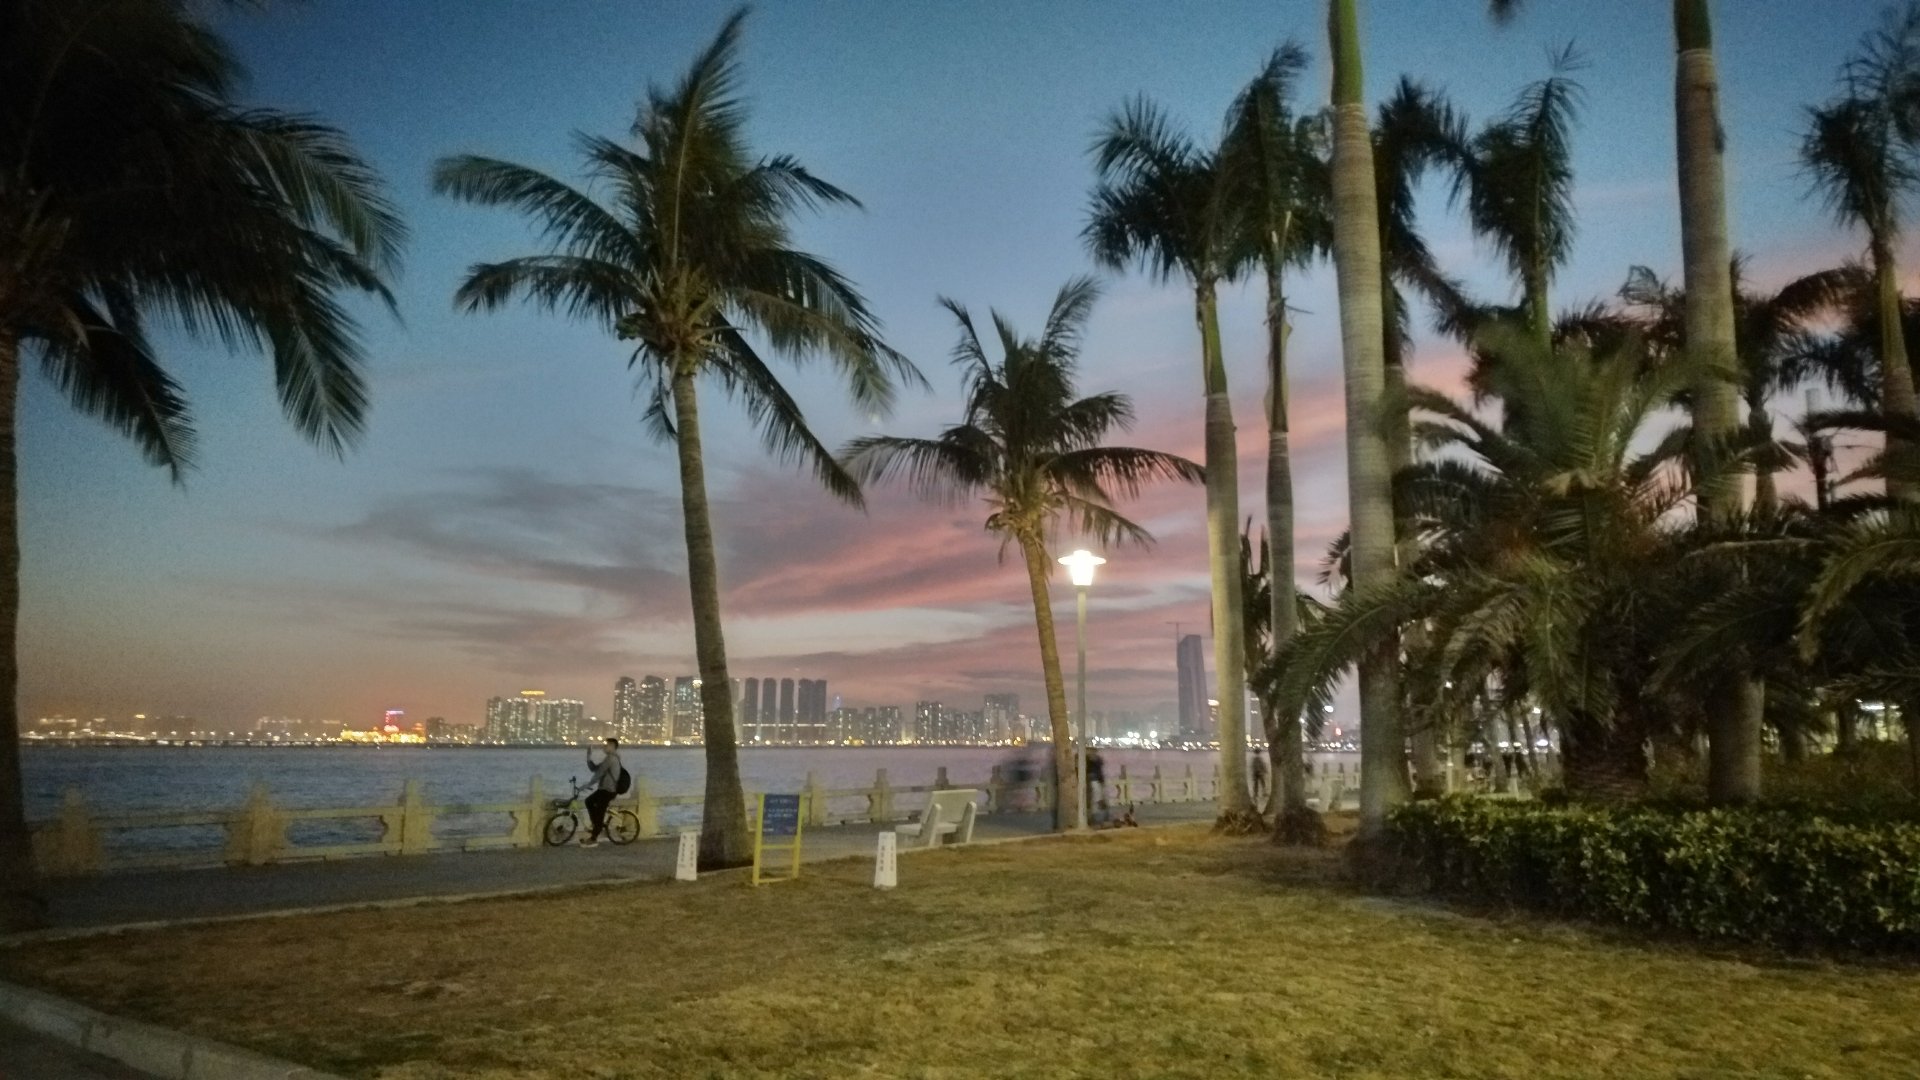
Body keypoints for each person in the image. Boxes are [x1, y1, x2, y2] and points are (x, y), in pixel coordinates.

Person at [580, 737, 622, 846]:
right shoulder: (608, 758)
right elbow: (594, 769)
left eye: (606, 745)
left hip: (608, 790)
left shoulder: (611, 759)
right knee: (589, 801)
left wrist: (588, 785)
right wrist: (589, 757)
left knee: (598, 811)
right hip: (603, 789)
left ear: (612, 746)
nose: (604, 747)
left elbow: (599, 773)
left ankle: (594, 838)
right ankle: (596, 826)